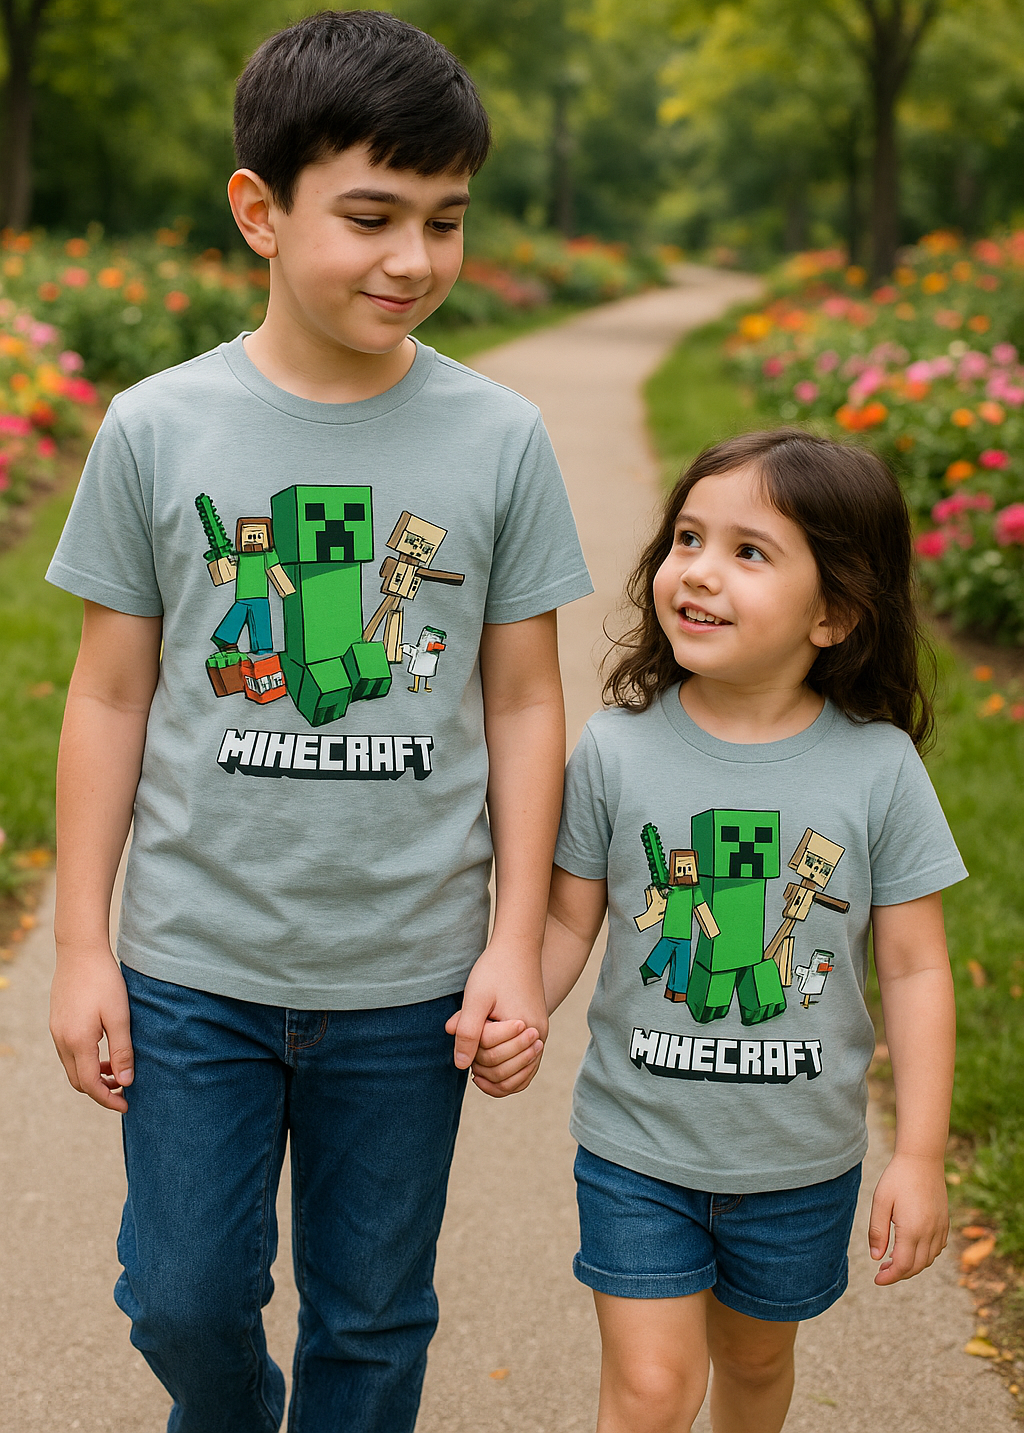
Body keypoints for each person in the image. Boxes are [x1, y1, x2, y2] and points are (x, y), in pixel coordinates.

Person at [45, 11, 591, 1433]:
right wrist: (81, 946)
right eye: (371, 216)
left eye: (445, 219)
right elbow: (108, 692)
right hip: (192, 967)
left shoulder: (499, 439)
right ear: (259, 213)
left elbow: (527, 700)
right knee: (182, 1296)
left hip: (408, 982)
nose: (415, 260)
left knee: (374, 1315)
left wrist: (513, 947)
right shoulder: (156, 427)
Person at [472, 429, 964, 1433]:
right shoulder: (617, 748)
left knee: (750, 1367)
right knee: (652, 1391)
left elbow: (914, 972)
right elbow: (571, 917)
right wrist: (520, 995)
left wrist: (916, 1155)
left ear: (834, 612)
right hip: (636, 1147)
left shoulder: (875, 772)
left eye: (748, 552)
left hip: (798, 1161)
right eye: (687, 538)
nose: (695, 572)